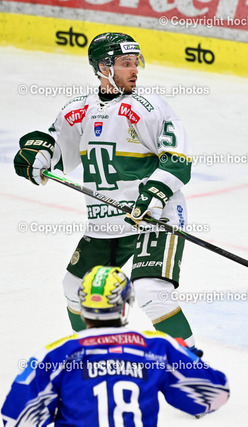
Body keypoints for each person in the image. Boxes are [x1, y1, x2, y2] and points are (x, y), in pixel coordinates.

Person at [13, 32, 201, 353]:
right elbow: (58, 151)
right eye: (126, 63)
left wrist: (155, 193)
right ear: (103, 67)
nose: (135, 69)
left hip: (154, 217)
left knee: (151, 291)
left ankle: (189, 364)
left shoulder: (150, 107)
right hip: (106, 222)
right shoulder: (78, 110)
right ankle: (93, 353)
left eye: (136, 62)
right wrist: (40, 155)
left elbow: (177, 160)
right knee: (75, 288)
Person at [1, 266, 229, 425]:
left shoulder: (54, 355)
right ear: (126, 305)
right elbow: (215, 396)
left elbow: (14, 419)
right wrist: (189, 359)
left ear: (82, 306)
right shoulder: (158, 347)